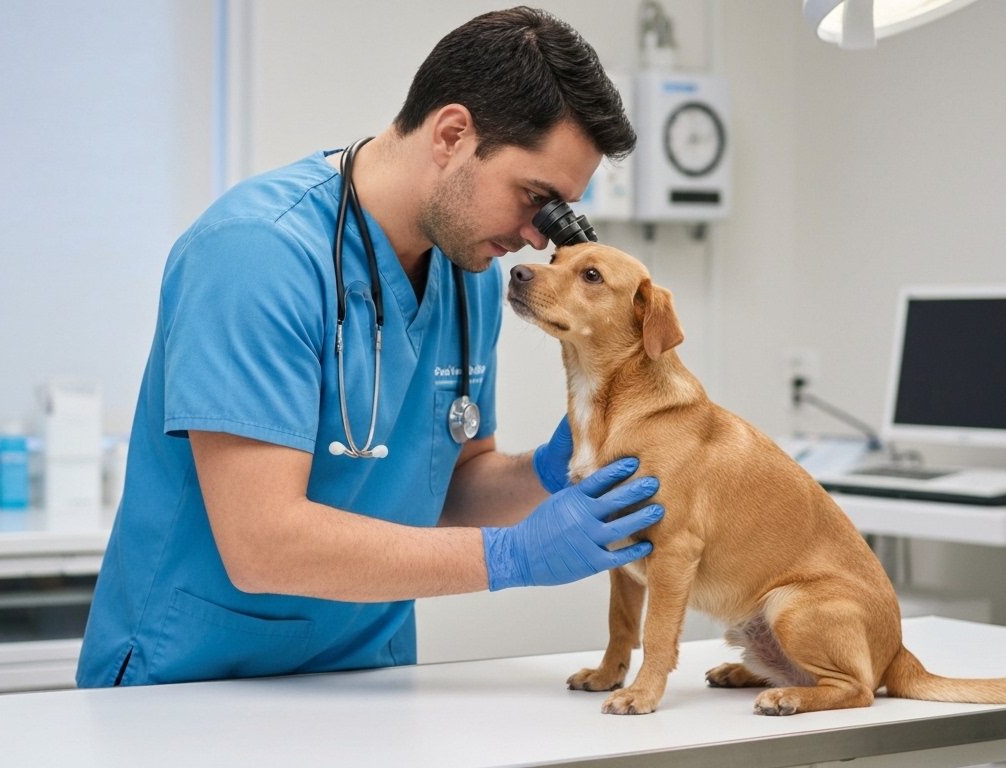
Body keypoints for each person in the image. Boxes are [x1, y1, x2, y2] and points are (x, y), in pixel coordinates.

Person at [76, 6, 663, 688]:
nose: (540, 237)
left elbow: (449, 487)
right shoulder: (256, 256)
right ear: (452, 134)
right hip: (193, 684)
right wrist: (512, 557)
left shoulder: (467, 276)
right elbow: (262, 544)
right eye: (534, 198)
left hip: (365, 681)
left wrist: (548, 469)